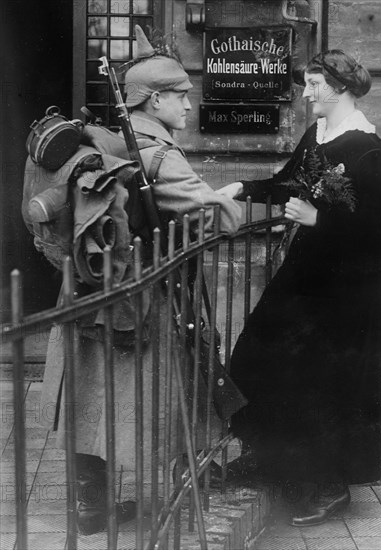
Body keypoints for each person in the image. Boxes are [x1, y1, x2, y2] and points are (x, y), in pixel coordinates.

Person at [40, 26, 241, 535]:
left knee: (89, 397)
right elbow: (223, 221)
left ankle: (91, 505)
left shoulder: (102, 144)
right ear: (153, 101)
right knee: (164, 388)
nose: (189, 106)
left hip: (87, 291)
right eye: (181, 96)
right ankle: (187, 477)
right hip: (141, 294)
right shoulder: (160, 154)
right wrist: (224, 197)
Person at [217, 50, 381, 526]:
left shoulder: (366, 147)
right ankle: (272, 458)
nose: (306, 93)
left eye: (314, 84)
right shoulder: (316, 135)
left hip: (352, 281)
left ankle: (328, 484)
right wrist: (240, 187)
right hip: (312, 269)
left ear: (339, 88)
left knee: (322, 378)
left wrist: (320, 218)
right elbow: (287, 183)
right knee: (255, 352)